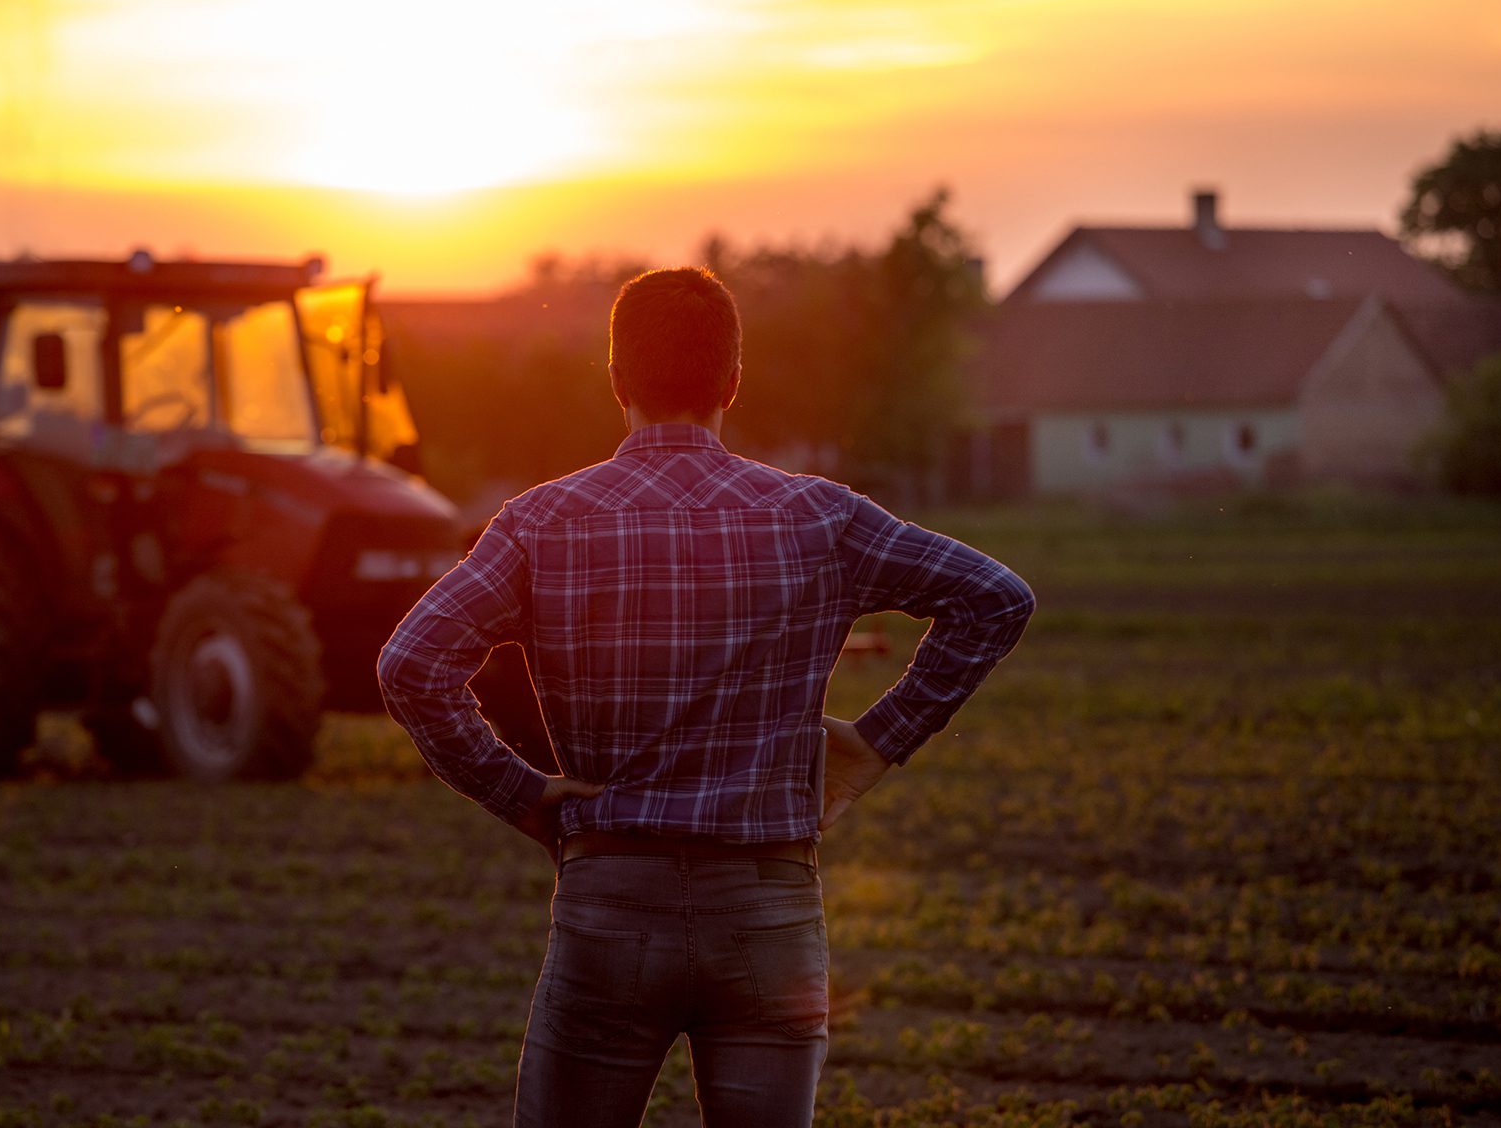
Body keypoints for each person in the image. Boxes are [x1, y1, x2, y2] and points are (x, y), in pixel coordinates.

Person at [377, 267, 1034, 1127]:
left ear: (616, 380)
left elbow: (410, 664)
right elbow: (996, 596)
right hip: (769, 912)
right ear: (733, 380)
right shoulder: (819, 517)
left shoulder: (542, 523)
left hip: (609, 906)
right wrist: (876, 742)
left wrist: (524, 795)